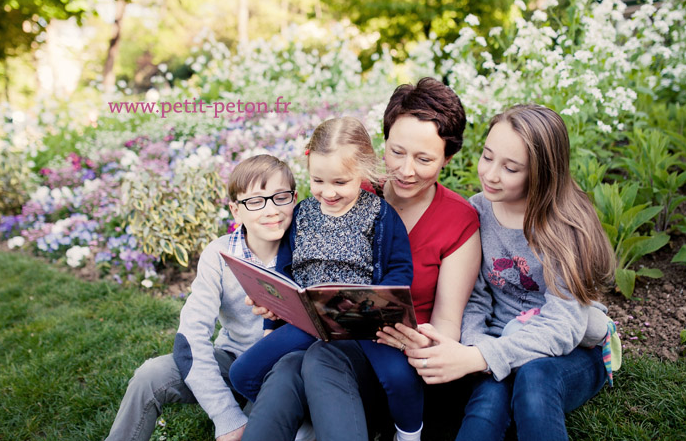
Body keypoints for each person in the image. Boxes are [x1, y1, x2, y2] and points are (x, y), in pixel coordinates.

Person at [240, 77, 482, 441]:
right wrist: (276, 301)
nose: (406, 170)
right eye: (397, 151)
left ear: (448, 158)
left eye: (424, 158)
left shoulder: (457, 219)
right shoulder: (346, 188)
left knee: (317, 362)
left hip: (392, 350)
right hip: (320, 335)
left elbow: (447, 322)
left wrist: (420, 343)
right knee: (290, 364)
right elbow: (294, 253)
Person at [381, 104, 616, 441]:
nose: (490, 174)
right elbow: (474, 301)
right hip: (496, 341)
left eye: (510, 168)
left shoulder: (566, 226)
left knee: (534, 382)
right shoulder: (477, 212)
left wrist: (481, 357)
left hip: (569, 351)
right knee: (487, 402)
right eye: (487, 156)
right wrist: (476, 351)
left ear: (542, 173)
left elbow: (564, 326)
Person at [228, 117, 424, 441]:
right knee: (243, 371)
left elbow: (400, 268)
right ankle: (307, 414)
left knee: (399, 375)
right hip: (309, 319)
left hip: (363, 322)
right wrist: (273, 311)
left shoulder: (381, 214)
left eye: (340, 182)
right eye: (317, 180)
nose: (328, 192)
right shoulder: (303, 213)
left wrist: (379, 301)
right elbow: (285, 268)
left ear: (363, 171)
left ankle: (407, 434)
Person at [105, 155, 297, 441]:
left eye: (280, 197)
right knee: (150, 376)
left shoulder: (306, 250)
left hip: (282, 371)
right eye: (255, 201)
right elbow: (191, 337)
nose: (271, 210)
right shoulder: (219, 255)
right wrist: (226, 416)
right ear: (236, 210)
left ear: (294, 198)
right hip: (231, 360)